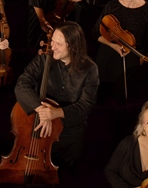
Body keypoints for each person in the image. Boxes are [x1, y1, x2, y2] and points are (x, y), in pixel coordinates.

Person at [15, 22, 99, 172]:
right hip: (40, 127)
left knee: (66, 174)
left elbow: (86, 104)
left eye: (58, 44)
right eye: (52, 41)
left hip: (70, 133)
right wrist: (42, 110)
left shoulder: (90, 69)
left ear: (72, 46)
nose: (52, 47)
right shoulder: (44, 58)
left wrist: (57, 113)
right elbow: (21, 85)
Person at [92, 0, 148, 103]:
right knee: (103, 57)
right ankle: (99, 102)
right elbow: (96, 32)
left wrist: (142, 58)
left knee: (124, 70)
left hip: (133, 51)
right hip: (111, 47)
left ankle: (119, 107)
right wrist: (112, 45)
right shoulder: (112, 6)